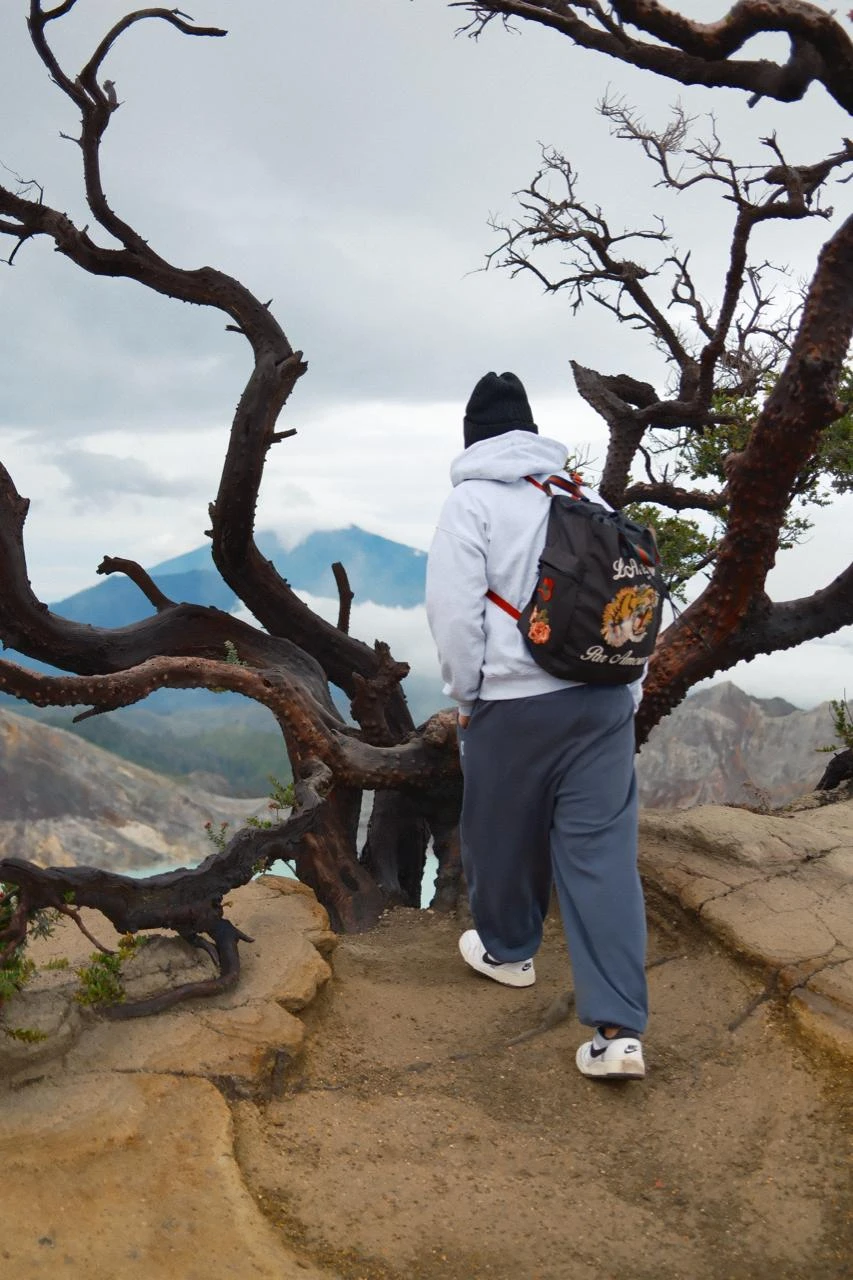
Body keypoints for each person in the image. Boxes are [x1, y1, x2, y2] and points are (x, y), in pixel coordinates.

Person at [425, 371, 648, 1081]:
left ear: (473, 439)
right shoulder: (588, 497)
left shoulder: (470, 504)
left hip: (514, 705)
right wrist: (628, 689)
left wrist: (466, 695)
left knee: (497, 832)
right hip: (605, 700)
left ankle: (509, 952)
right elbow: (632, 605)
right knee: (602, 858)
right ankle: (617, 1035)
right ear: (529, 432)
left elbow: (454, 613)